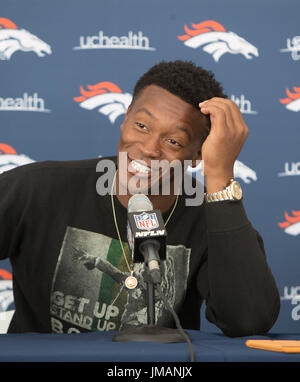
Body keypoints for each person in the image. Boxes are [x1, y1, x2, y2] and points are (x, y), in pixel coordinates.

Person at [0, 60, 280, 336]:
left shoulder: (209, 218)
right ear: (125, 119)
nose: (148, 149)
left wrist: (219, 177)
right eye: (142, 126)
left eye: (174, 142)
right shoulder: (39, 188)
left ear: (198, 155)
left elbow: (249, 319)